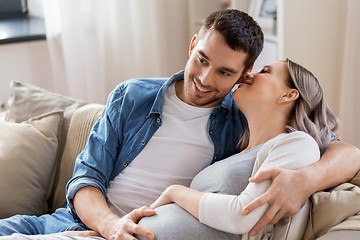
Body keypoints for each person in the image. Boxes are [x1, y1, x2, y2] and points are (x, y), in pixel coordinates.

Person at [0, 8, 359, 240]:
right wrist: (110, 226)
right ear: (193, 44)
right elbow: (85, 180)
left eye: (223, 72)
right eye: (201, 59)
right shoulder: (133, 96)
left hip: (147, 232)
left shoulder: (246, 121)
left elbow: (343, 151)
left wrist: (305, 180)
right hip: (82, 224)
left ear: (243, 76)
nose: (203, 79)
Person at [136, 58, 338, 240]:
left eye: (265, 71)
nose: (249, 74)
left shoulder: (298, 143)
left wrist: (174, 192)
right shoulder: (239, 152)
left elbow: (243, 215)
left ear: (289, 94)